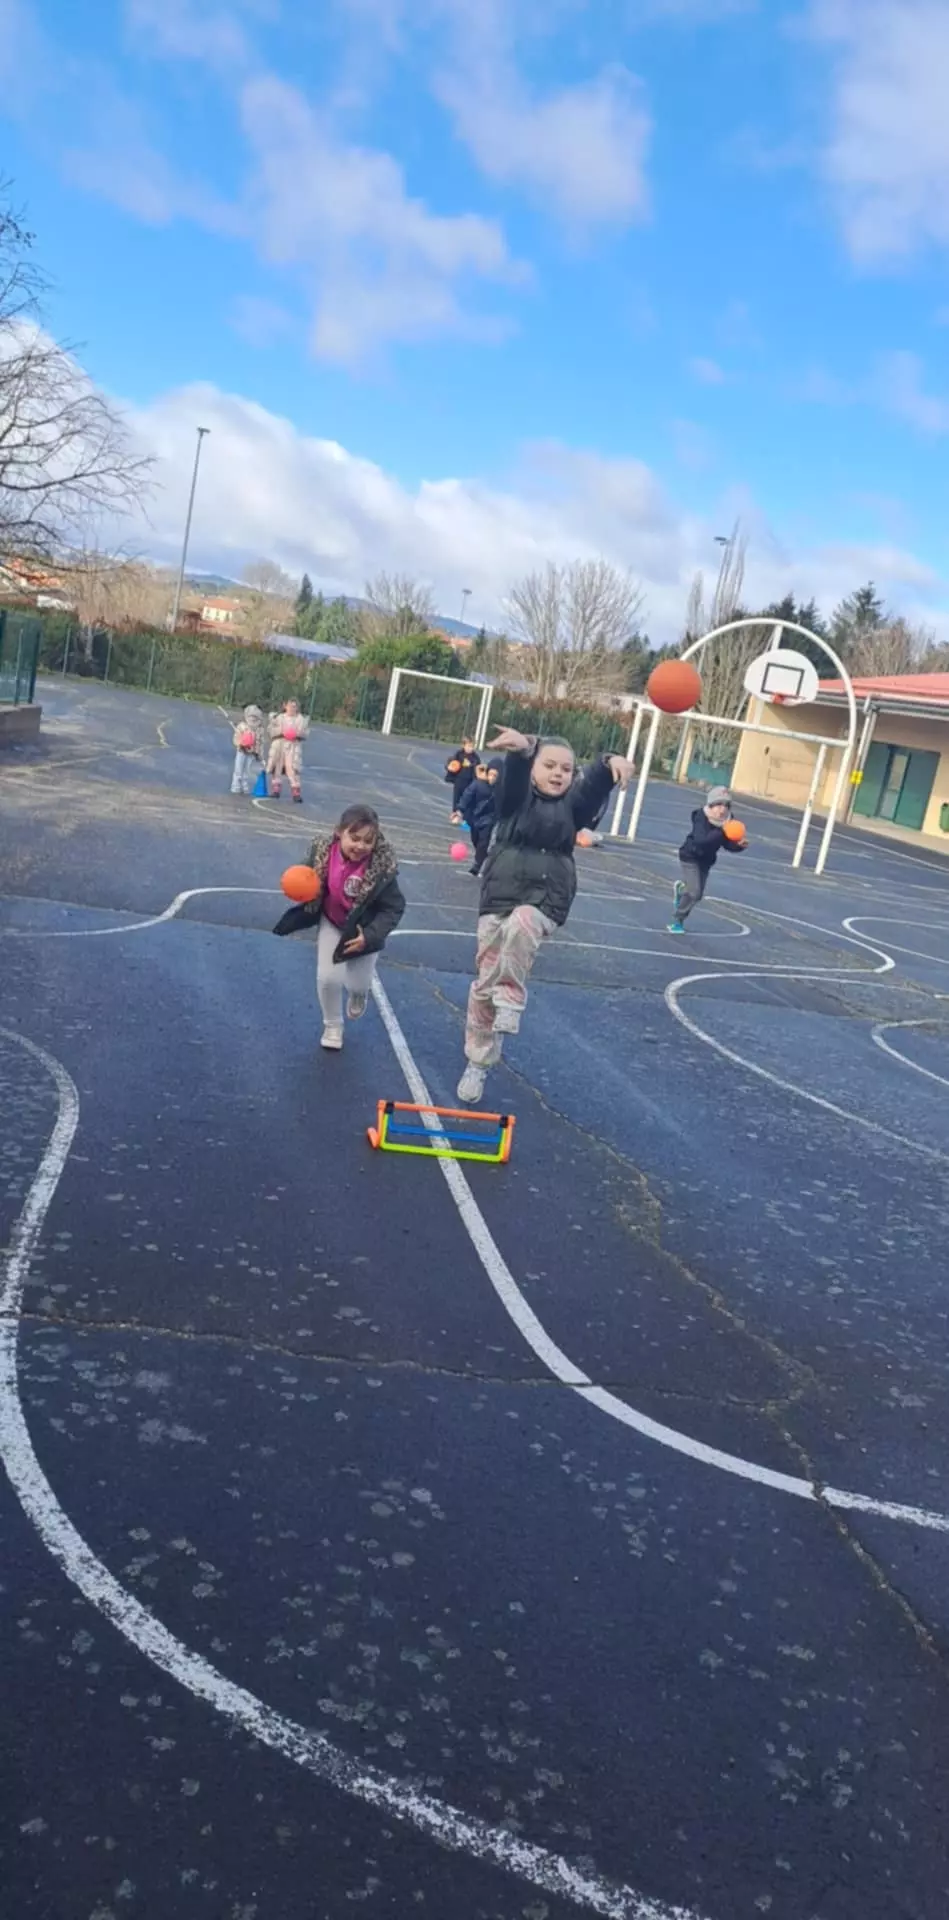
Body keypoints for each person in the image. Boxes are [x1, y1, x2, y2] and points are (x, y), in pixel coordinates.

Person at [456, 730, 633, 1103]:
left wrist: (607, 765)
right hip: (499, 895)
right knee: (484, 985)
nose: (558, 774)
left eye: (566, 769)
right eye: (549, 765)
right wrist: (520, 753)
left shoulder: (573, 806)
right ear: (535, 768)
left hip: (547, 898)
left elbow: (591, 790)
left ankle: (512, 997)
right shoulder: (513, 799)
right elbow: (514, 781)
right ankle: (478, 1061)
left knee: (523, 922)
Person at [273, 804, 405, 1051]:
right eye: (354, 838)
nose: (360, 846)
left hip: (363, 930)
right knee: (328, 977)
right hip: (333, 922)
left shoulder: (382, 868)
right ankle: (333, 1025)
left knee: (358, 983)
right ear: (339, 833)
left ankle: (358, 994)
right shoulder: (322, 852)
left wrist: (370, 936)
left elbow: (393, 908)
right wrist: (299, 890)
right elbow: (305, 876)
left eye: (368, 841)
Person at [668, 786, 746, 934]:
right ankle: (677, 920)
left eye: (726, 805)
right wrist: (721, 831)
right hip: (690, 856)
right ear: (711, 804)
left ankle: (682, 892)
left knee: (697, 895)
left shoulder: (729, 822)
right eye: (718, 804)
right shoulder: (701, 817)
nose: (722, 810)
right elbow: (701, 840)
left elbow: (727, 844)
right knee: (695, 892)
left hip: (706, 860)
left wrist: (739, 846)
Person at [454, 757, 502, 876]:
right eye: (490, 774)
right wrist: (460, 810)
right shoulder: (478, 784)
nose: (492, 778)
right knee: (475, 839)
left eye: (495, 775)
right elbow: (467, 795)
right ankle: (482, 855)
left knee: (483, 841)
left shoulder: (502, 789)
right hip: (474, 817)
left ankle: (477, 865)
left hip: (490, 818)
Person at [267, 699, 310, 802]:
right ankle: (276, 790)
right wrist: (281, 732)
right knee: (277, 766)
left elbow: (305, 733)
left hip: (293, 746)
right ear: (285, 706)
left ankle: (296, 793)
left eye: (294, 707)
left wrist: (297, 734)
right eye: (290, 706)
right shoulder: (279, 718)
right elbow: (270, 730)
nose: (292, 709)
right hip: (279, 744)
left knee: (292, 769)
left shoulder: (300, 720)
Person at [230, 705, 264, 795]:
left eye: (255, 717)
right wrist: (240, 744)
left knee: (247, 771)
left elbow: (259, 742)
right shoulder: (242, 726)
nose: (253, 719)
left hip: (251, 753)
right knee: (238, 769)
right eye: (251, 716)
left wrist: (258, 753)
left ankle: (245, 787)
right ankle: (235, 786)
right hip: (241, 751)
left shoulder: (259, 729)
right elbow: (236, 737)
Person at [444, 736, 480, 812]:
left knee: (467, 799)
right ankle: (454, 814)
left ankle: (464, 815)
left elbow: (478, 768)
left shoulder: (475, 757)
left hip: (470, 781)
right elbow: (451, 763)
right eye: (469, 746)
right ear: (463, 746)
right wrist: (449, 767)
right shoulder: (458, 754)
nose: (471, 748)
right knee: (456, 799)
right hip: (459, 780)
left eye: (472, 746)